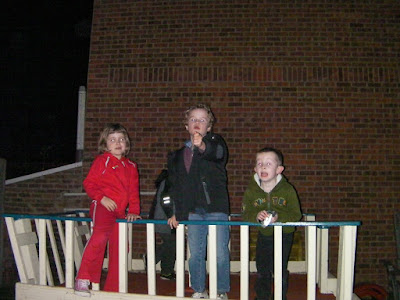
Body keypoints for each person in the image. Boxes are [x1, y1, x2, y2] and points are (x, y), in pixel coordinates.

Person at [167, 104, 230, 299]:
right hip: (193, 211)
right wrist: (174, 210)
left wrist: (201, 146)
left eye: (202, 120)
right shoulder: (177, 155)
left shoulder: (216, 142)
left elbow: (218, 153)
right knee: (195, 254)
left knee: (220, 253)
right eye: (193, 119)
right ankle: (198, 289)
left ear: (208, 127)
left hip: (216, 207)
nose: (197, 123)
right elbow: (173, 186)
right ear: (186, 125)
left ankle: (220, 291)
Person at [74, 123, 141, 297]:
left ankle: (114, 288)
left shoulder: (132, 166)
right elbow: (89, 183)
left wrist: (133, 210)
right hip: (103, 206)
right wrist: (101, 198)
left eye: (121, 140)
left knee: (120, 247)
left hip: (120, 212)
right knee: (99, 237)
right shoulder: (101, 161)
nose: (117, 143)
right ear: (106, 144)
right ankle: (83, 279)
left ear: (126, 144)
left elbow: (134, 192)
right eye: (113, 140)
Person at [242, 147, 302, 300]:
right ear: (255, 168)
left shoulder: (288, 190)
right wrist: (256, 216)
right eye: (260, 163)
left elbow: (296, 214)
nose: (263, 166)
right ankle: (262, 296)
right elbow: (246, 213)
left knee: (279, 268)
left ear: (279, 169)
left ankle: (280, 296)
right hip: (265, 235)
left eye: (268, 164)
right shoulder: (251, 191)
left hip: (284, 235)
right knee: (262, 267)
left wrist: (279, 217)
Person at [145, 169, 176, 280]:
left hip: (162, 217)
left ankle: (156, 262)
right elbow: (166, 200)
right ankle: (166, 271)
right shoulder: (171, 180)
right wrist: (171, 215)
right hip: (164, 218)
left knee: (171, 243)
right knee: (171, 243)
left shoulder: (168, 179)